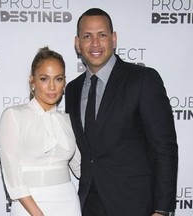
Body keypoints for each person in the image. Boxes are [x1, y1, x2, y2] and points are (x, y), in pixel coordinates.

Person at [65, 8, 178, 216]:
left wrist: (162, 209)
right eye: (87, 36)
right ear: (77, 43)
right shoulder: (72, 90)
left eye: (102, 35)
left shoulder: (143, 80)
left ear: (114, 39)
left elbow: (164, 147)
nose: (95, 43)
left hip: (136, 205)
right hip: (89, 205)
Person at [0, 47, 81, 216]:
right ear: (32, 81)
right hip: (30, 206)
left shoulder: (68, 120)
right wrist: (36, 213)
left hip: (69, 203)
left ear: (64, 82)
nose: (52, 87)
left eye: (58, 79)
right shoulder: (14, 116)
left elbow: (82, 168)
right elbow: (12, 174)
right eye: (44, 79)